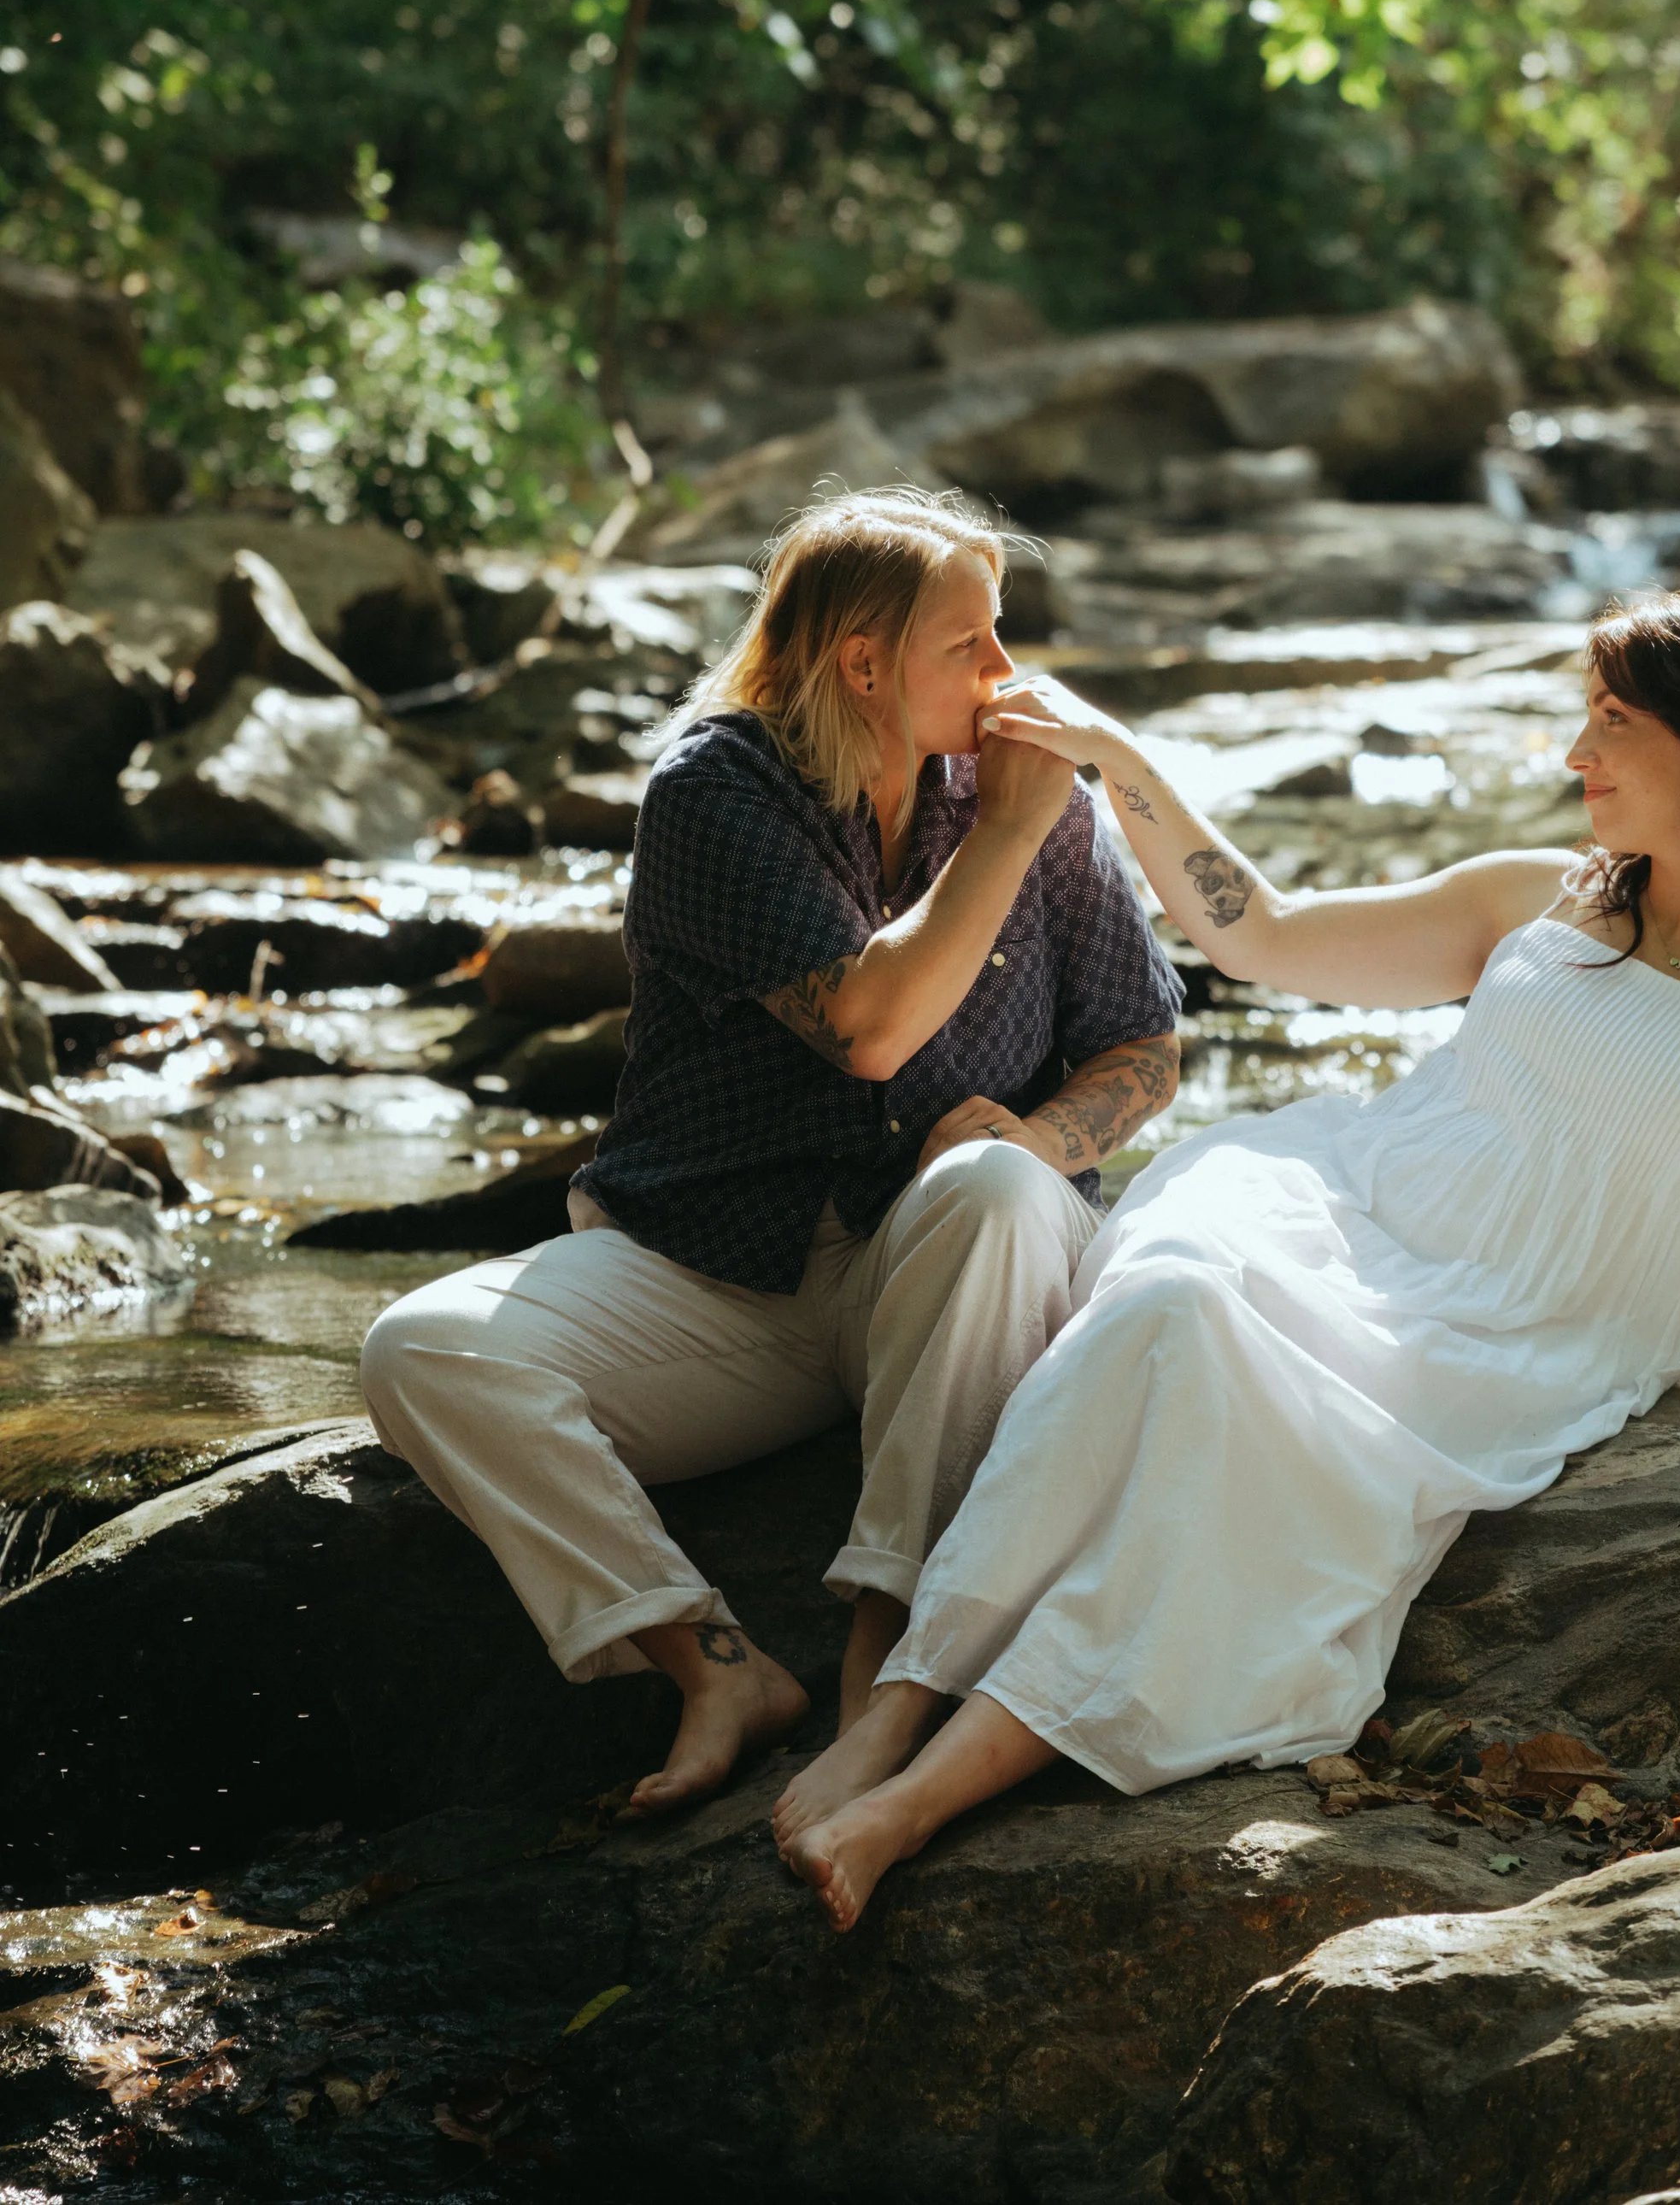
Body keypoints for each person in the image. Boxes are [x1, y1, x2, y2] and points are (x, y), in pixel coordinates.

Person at [770, 584, 1680, 1928]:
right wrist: (1120, 758)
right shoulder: (1538, 898)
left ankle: (915, 1804)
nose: (1579, 754)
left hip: (1532, 1313)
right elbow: (1258, 932)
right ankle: (892, 1713)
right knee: (1172, 1299)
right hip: (1355, 1195)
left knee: (1258, 1455)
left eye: (1614, 722)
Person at [361, 488, 1181, 1816]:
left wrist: (1038, 1136)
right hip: (715, 1275)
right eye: (971, 644)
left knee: (994, 1186)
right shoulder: (717, 788)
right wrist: (1014, 828)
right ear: (865, 663)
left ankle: (892, 1648)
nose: (1006, 673)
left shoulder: (1028, 790)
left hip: (945, 1277)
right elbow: (868, 1024)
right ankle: (716, 1662)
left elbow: (1145, 1045)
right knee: (424, 1348)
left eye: (1002, 637)